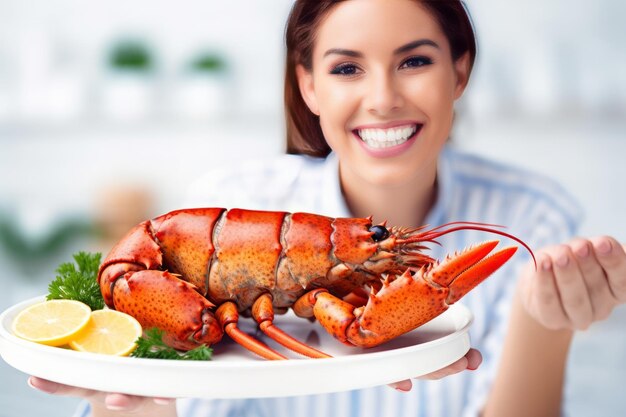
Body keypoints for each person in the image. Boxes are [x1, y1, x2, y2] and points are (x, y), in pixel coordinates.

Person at [29, 0, 626, 416]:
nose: (384, 97)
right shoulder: (232, 189)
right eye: (346, 68)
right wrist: (125, 393)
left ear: (460, 72)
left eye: (414, 61)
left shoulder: (537, 216)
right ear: (309, 86)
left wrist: (545, 323)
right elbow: (193, 398)